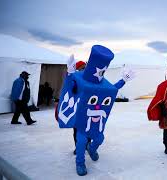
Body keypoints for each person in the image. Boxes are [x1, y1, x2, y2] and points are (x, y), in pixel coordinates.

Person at [56, 45, 134, 176]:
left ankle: (92, 149)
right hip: (82, 121)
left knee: (99, 139)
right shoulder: (78, 78)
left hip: (95, 124)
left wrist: (124, 80)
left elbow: (113, 89)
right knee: (80, 142)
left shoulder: (104, 84)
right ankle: (80, 163)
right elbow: (69, 88)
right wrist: (69, 74)